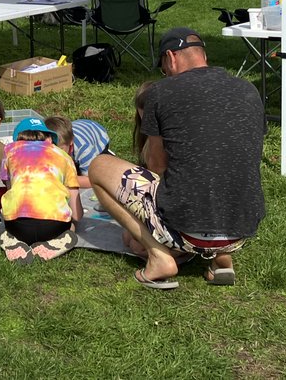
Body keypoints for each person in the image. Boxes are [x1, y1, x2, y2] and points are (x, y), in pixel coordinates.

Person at [89, 28, 265, 289]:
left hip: (186, 230)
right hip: (241, 229)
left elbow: (157, 167)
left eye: (163, 68)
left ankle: (159, 255)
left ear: (171, 58)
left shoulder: (162, 92)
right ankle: (220, 256)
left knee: (99, 166)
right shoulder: (249, 90)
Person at [0, 116, 81, 263]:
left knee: (5, 216)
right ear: (49, 138)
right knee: (72, 226)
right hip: (54, 226)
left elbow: (9, 188)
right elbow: (77, 215)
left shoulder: (9, 151)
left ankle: (11, 239)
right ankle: (54, 243)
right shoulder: (64, 157)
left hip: (17, 226)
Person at [45, 115, 110, 190]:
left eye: (60, 149)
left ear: (71, 142)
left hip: (99, 136)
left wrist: (63, 179)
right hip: (79, 127)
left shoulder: (84, 149)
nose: (56, 154)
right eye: (51, 149)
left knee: (95, 168)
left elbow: (92, 180)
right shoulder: (45, 143)